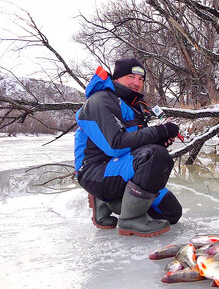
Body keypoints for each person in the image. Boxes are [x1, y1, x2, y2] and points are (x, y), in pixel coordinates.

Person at [74, 58, 182, 237]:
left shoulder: (132, 106)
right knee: (155, 156)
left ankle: (107, 201)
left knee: (171, 213)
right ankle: (130, 219)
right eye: (131, 77)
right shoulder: (100, 100)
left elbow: (135, 145)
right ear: (116, 79)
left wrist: (158, 142)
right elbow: (115, 145)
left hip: (120, 167)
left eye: (141, 79)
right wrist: (159, 132)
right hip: (95, 172)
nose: (136, 83)